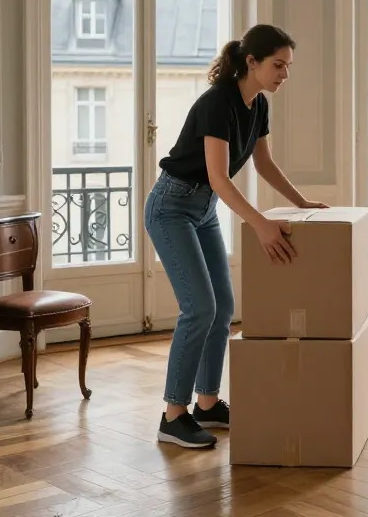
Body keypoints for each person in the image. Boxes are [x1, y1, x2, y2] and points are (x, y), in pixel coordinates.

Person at [144, 23, 329, 449]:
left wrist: (301, 202)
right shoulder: (217, 103)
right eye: (278, 65)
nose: (284, 74)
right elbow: (219, 176)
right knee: (199, 308)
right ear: (252, 62)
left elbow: (263, 164)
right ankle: (174, 414)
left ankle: (207, 404)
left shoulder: (258, 104)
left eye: (288, 66)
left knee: (223, 305)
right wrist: (260, 224)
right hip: (171, 207)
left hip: (202, 207)